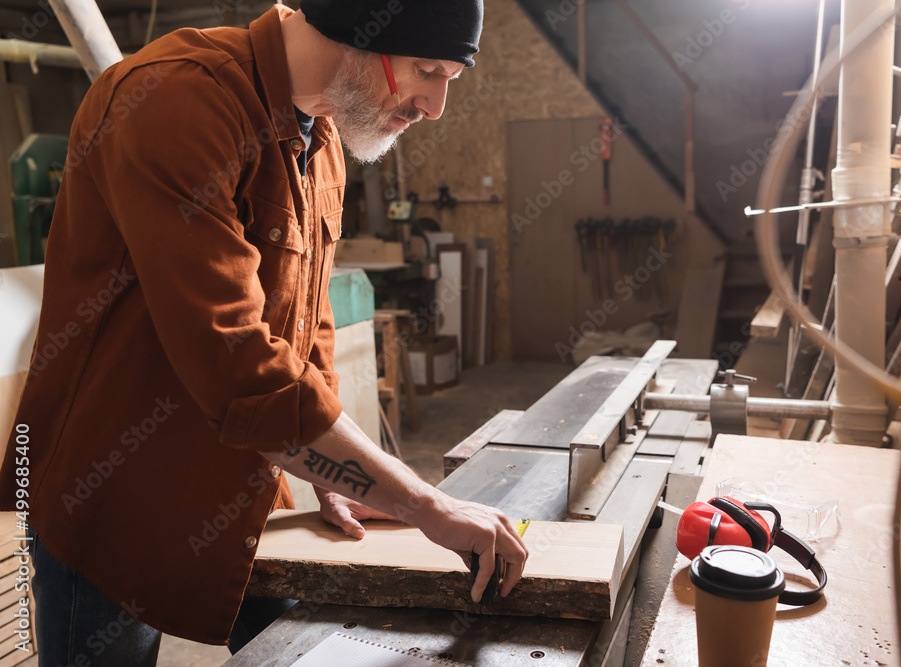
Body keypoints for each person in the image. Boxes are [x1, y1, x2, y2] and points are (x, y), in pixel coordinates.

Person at [0, 1, 527, 664]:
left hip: (241, 486)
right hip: (110, 497)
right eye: (427, 70)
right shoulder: (178, 102)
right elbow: (241, 368)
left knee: (302, 644)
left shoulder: (321, 138)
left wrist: (338, 475)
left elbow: (307, 325)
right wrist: (425, 504)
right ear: (357, 34)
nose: (436, 104)